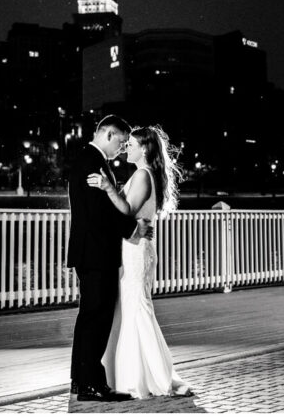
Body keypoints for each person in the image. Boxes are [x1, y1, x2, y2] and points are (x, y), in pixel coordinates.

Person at [88, 124, 192, 399]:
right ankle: (128, 373)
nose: (127, 148)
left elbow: (127, 211)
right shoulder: (140, 175)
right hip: (133, 246)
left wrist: (109, 188)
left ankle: (151, 376)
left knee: (137, 308)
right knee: (129, 308)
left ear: (145, 148)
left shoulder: (143, 175)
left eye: (131, 144)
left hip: (136, 250)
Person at [67, 115, 153, 403]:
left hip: (90, 249)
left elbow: (101, 208)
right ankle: (91, 384)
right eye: (120, 140)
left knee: (89, 316)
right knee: (97, 317)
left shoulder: (88, 159)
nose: (121, 147)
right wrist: (132, 229)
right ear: (108, 134)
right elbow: (99, 211)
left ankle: (82, 381)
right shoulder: (91, 160)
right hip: (96, 250)